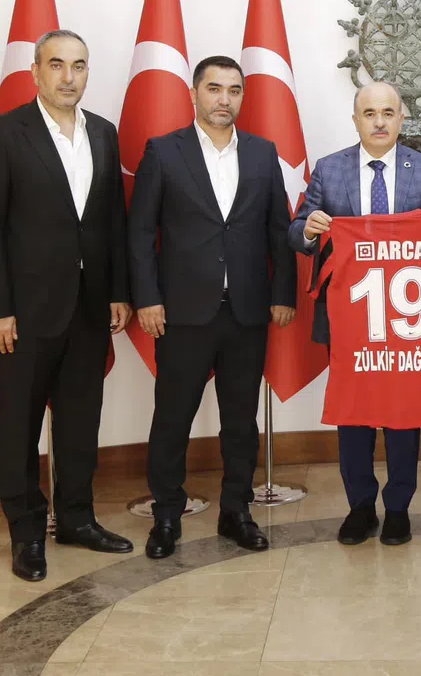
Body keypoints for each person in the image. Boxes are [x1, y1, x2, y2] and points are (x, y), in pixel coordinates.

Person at [0, 29, 133, 582]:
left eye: (79, 65)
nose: (69, 77)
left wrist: (118, 290)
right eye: (57, 64)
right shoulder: (2, 135)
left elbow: (112, 222)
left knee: (80, 422)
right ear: (36, 72)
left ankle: (77, 519)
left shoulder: (104, 133)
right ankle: (26, 533)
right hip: (23, 313)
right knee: (18, 426)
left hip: (89, 308)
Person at [128, 55, 297, 559]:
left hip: (246, 311)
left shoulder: (263, 153)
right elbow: (140, 233)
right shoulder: (164, 151)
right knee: (172, 417)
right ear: (194, 94)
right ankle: (166, 515)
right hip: (182, 312)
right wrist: (147, 298)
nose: (224, 99)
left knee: (240, 421)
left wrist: (283, 293)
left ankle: (236, 511)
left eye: (234, 90)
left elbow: (279, 229)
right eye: (214, 89)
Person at [289, 81, 421, 546]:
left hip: (405, 324)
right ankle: (360, 506)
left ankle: (399, 507)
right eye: (369, 113)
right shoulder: (329, 170)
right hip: (349, 322)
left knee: (404, 416)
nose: (379, 122)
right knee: (354, 416)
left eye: (387, 113)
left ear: (402, 118)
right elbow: (296, 232)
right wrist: (309, 229)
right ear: (356, 120)